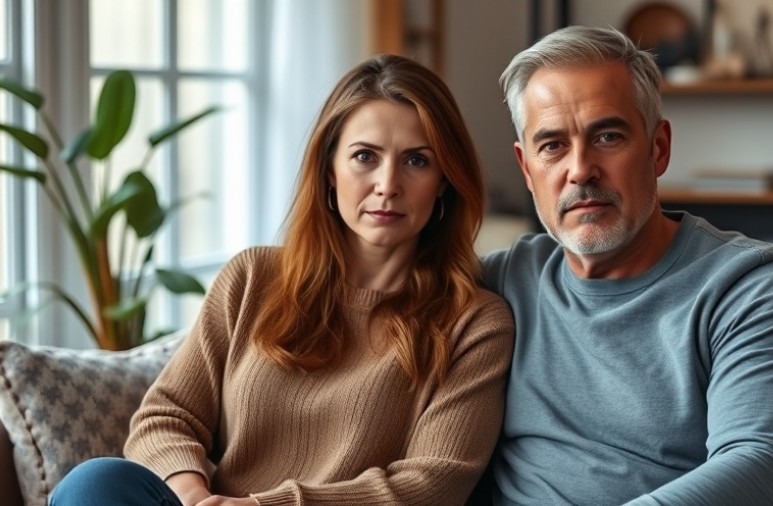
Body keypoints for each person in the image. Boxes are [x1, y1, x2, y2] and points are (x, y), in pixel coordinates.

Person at [50, 54, 514, 506]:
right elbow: (165, 417)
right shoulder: (252, 278)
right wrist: (195, 498)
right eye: (364, 157)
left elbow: (434, 483)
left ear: (445, 181)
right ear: (329, 170)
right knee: (95, 484)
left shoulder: (476, 323)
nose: (387, 184)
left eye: (417, 161)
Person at [478, 25, 773, 505]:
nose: (579, 169)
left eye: (607, 136)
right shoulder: (500, 282)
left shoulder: (752, 289)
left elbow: (766, 466)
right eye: (553, 146)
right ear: (526, 169)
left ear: (658, 148)